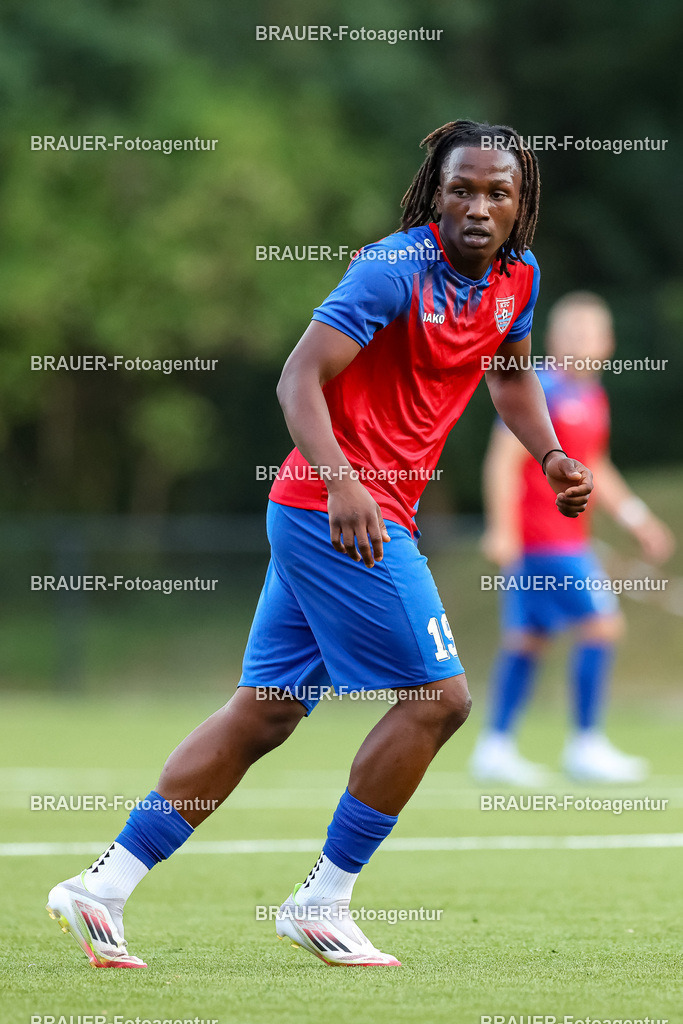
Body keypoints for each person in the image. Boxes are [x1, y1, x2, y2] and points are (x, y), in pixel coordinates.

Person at [47, 119, 594, 969]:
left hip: (363, 511)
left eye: (497, 190)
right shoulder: (390, 269)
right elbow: (297, 375)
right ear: (432, 194)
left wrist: (552, 453)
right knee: (439, 701)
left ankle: (101, 887)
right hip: (334, 509)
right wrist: (342, 479)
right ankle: (322, 900)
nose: (477, 204)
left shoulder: (516, 278)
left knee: (264, 711)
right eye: (460, 188)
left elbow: (511, 373)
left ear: (520, 204)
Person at [470, 292, 675, 785]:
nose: (583, 342)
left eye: (593, 334)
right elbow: (503, 459)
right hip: (545, 542)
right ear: (554, 340)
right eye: (573, 333)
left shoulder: (592, 396)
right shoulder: (539, 387)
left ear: (608, 344)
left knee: (528, 639)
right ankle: (586, 743)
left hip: (566, 539)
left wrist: (637, 519)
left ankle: (495, 745)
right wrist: (502, 529)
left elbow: (596, 465)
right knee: (602, 627)